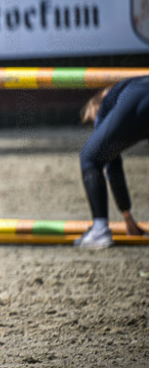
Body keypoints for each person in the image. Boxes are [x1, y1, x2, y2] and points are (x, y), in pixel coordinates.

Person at [74, 76, 149, 249]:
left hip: (139, 97)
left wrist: (127, 215)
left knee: (89, 157)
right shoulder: (121, 90)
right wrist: (127, 217)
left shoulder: (103, 107)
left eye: (90, 120)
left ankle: (99, 231)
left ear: (93, 108)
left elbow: (112, 166)